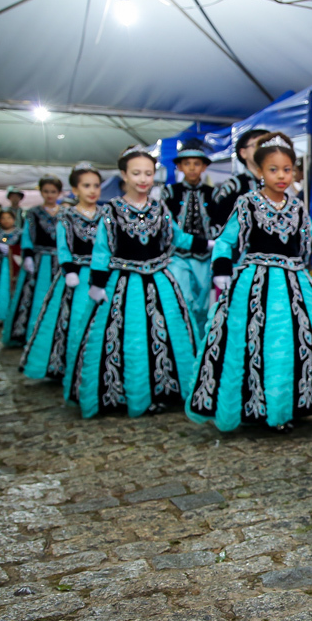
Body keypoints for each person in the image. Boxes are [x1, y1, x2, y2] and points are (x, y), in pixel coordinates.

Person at [187, 135, 312, 433]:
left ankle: (290, 406)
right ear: (260, 171)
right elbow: (225, 240)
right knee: (255, 342)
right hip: (255, 286)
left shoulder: (297, 207)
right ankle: (256, 407)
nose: (282, 176)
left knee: (294, 344)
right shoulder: (247, 203)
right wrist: (221, 268)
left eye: (287, 169)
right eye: (273, 169)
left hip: (293, 286)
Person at [68, 146, 212, 418]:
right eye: (136, 173)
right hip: (124, 284)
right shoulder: (112, 209)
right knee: (129, 338)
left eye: (148, 173)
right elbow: (102, 249)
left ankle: (164, 390)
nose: (143, 179)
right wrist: (97, 283)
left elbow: (177, 237)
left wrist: (210, 243)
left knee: (166, 334)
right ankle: (126, 393)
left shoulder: (159, 208)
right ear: (124, 175)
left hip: (160, 281)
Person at [21, 163, 102, 383]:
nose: (92, 190)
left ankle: (98, 367)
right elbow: (63, 246)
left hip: (103, 275)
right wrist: (69, 270)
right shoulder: (67, 216)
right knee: (75, 318)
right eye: (86, 186)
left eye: (96, 185)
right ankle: (71, 365)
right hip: (76, 275)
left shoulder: (107, 215)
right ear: (75, 190)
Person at [161, 138, 216, 331]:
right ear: (179, 167)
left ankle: (199, 343)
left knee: (202, 306)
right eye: (187, 163)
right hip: (178, 256)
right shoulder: (169, 192)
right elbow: (165, 225)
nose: (192, 168)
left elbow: (219, 221)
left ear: (204, 167)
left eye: (196, 164)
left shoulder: (213, 193)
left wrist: (213, 242)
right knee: (182, 300)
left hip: (205, 257)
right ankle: (182, 341)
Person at [3, 174, 61, 347]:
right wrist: (27, 255)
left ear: (59, 193)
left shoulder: (66, 213)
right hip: (39, 260)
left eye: (53, 191)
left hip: (61, 260)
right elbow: (27, 235)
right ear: (41, 192)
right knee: (35, 295)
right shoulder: (33, 212)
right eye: (46, 191)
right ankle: (31, 333)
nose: (50, 195)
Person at [211, 128, 271, 232]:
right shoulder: (234, 185)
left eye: (267, 145)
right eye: (258, 145)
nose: (263, 150)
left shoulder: (277, 183)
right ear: (243, 153)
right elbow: (220, 221)